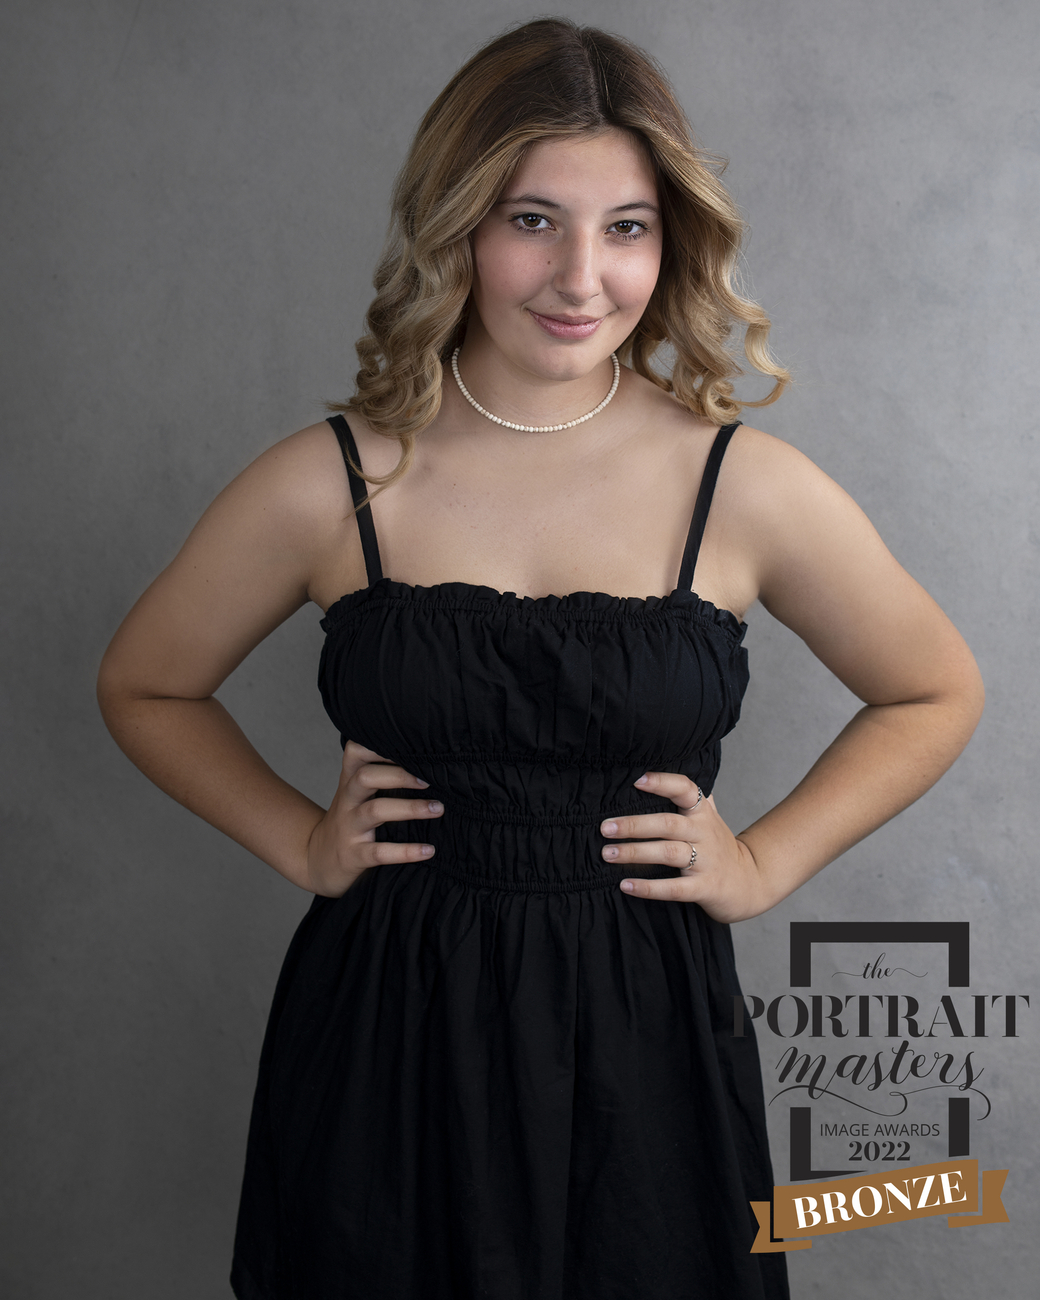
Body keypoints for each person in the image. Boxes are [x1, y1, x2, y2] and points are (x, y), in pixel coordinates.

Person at [96, 17, 984, 1300]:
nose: (581, 275)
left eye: (626, 227)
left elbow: (932, 689)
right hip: (387, 1034)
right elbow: (145, 685)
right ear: (453, 225)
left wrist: (761, 863)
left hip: (648, 1037)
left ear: (669, 243)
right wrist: (300, 840)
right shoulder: (331, 480)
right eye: (531, 221)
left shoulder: (740, 485)